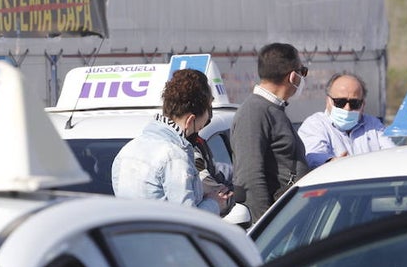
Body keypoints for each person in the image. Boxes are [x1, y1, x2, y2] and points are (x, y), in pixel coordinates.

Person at [110, 68, 231, 214]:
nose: (201, 127)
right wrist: (215, 203)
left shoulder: (127, 151)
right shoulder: (174, 156)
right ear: (190, 120)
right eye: (201, 124)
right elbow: (189, 221)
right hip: (165, 237)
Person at [230, 43, 310, 222]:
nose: (303, 77)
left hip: (291, 217)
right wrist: (267, 230)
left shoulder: (275, 109)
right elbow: (250, 178)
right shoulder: (254, 112)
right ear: (292, 76)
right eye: (302, 71)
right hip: (276, 224)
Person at [297, 72, 396, 168]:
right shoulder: (315, 125)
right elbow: (314, 156)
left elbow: (392, 154)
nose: (347, 108)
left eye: (354, 103)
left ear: (363, 105)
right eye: (340, 102)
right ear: (328, 101)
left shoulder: (373, 125)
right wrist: (332, 163)